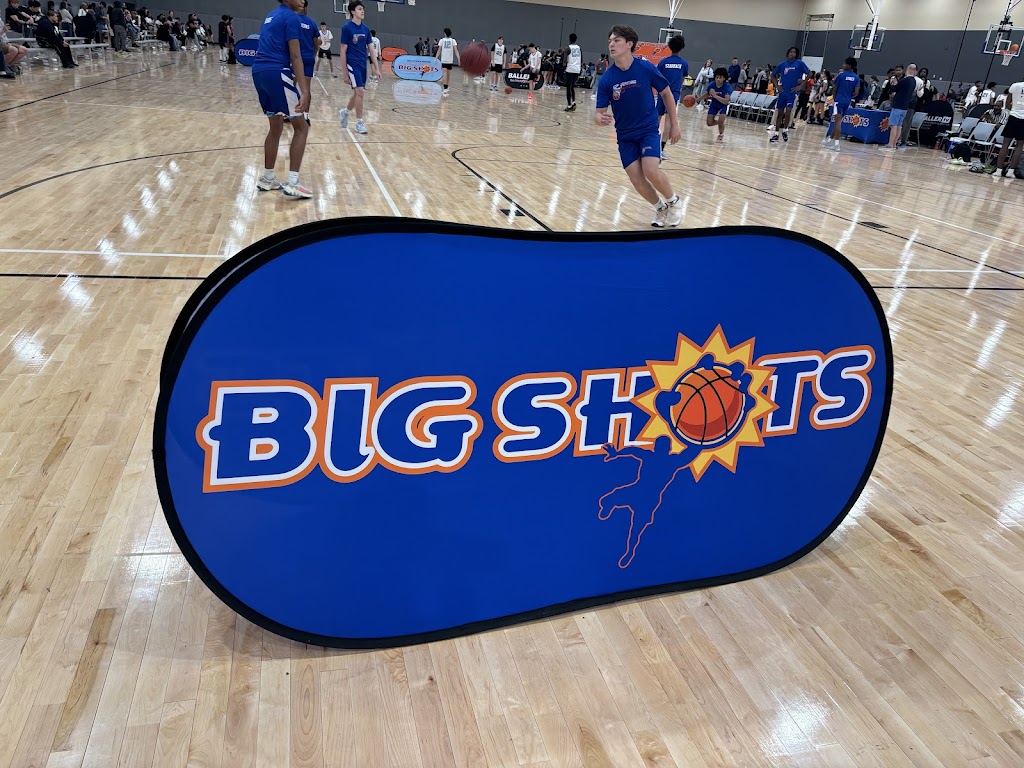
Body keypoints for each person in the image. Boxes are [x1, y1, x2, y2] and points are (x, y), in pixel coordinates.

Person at [595, 25, 682, 228]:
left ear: (629, 44)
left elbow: (666, 93)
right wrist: (600, 119)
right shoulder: (607, 79)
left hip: (647, 130)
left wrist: (675, 125)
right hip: (625, 136)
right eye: (610, 41)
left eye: (616, 40)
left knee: (651, 170)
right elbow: (598, 114)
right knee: (636, 178)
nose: (611, 44)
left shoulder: (645, 67)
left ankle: (674, 202)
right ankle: (661, 208)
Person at [251, 0, 312, 198]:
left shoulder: (271, 15)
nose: (302, 0)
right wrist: (305, 90)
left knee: (276, 126)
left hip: (259, 72)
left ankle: (268, 178)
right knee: (301, 127)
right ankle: (293, 182)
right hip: (276, 71)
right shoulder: (291, 17)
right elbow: (295, 56)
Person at [338, 0, 374, 134]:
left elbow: (371, 50)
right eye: (359, 9)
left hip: (363, 64)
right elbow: (342, 51)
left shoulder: (366, 29)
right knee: (360, 92)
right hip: (352, 64)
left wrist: (376, 68)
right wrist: (344, 73)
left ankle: (345, 112)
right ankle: (359, 123)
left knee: (357, 93)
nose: (362, 11)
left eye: (363, 9)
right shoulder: (347, 28)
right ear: (353, 12)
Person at [655, 35, 687, 157]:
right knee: (669, 120)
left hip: (662, 92)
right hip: (673, 93)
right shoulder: (684, 63)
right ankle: (661, 150)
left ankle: (650, 146)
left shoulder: (663, 62)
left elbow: (657, 77)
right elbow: (682, 79)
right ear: (682, 48)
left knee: (657, 118)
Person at [770, 46, 809, 142]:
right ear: (788, 53)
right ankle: (776, 134)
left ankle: (785, 130)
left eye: (794, 52)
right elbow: (772, 74)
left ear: (796, 54)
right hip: (783, 92)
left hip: (792, 92)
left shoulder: (799, 63)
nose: (792, 53)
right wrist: (777, 86)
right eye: (791, 52)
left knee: (788, 112)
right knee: (779, 113)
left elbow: (810, 74)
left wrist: (800, 86)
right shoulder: (783, 64)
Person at [824, 57, 860, 151]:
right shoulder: (856, 77)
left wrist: (835, 98)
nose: (843, 65)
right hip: (847, 101)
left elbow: (834, 88)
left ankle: (837, 144)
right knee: (838, 122)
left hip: (838, 101)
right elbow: (856, 93)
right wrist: (848, 95)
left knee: (837, 122)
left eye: (844, 64)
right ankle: (830, 140)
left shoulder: (841, 75)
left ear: (849, 65)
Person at [881, 63, 918, 151]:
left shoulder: (905, 80)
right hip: (905, 106)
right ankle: (894, 144)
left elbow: (894, 89)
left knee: (893, 125)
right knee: (899, 126)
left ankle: (890, 144)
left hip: (898, 105)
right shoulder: (914, 81)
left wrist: (894, 83)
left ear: (908, 70)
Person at [993, 79, 1024, 177]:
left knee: (1005, 144)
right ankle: (1011, 172)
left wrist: (1014, 110)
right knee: (1019, 146)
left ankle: (998, 170)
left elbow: (1007, 104)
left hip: (1013, 117)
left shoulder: (1015, 85)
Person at [702, 66, 732, 142]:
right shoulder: (712, 85)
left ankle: (721, 135)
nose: (718, 79)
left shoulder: (727, 86)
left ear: (724, 78)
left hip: (724, 105)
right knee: (709, 123)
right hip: (714, 103)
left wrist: (715, 95)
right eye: (717, 77)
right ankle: (720, 124)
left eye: (720, 77)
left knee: (721, 120)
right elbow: (707, 94)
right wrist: (696, 99)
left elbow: (726, 101)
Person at [297, 0, 318, 82]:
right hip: (309, 57)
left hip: (296, 58)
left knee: (292, 85)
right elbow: (316, 44)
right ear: (306, 8)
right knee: (306, 87)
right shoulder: (312, 23)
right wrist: (313, 55)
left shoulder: (293, 20)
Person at [435, 26, 458, 95]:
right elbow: (456, 50)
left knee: (445, 73)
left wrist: (436, 58)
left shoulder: (441, 40)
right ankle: (446, 86)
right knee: (448, 74)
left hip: (444, 59)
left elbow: (439, 50)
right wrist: (458, 58)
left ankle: (445, 88)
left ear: (445, 33)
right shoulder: (453, 40)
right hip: (450, 60)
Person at [564, 32, 582, 111]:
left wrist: (564, 66)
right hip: (577, 69)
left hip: (570, 69)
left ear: (569, 39)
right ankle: (574, 102)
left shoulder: (567, 48)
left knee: (568, 87)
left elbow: (564, 61)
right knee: (572, 87)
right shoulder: (579, 48)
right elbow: (581, 59)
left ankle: (569, 105)